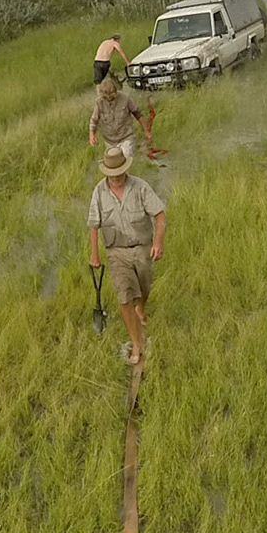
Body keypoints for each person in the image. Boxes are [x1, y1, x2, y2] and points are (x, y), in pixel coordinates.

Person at [86, 146, 166, 368]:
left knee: (144, 286)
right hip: (116, 252)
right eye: (113, 174)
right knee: (124, 297)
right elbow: (94, 225)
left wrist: (158, 243)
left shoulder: (140, 187)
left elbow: (159, 215)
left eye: (120, 172)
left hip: (142, 248)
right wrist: (95, 253)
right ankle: (137, 343)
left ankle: (141, 308)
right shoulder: (99, 193)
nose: (117, 177)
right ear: (106, 173)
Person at [88, 76, 151, 164]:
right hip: (109, 140)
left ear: (116, 92)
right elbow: (94, 120)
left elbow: (138, 114)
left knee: (126, 159)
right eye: (106, 98)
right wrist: (92, 135)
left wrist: (146, 131)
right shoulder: (99, 103)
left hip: (126, 137)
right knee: (114, 163)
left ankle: (127, 176)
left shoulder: (126, 99)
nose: (109, 99)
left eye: (112, 97)